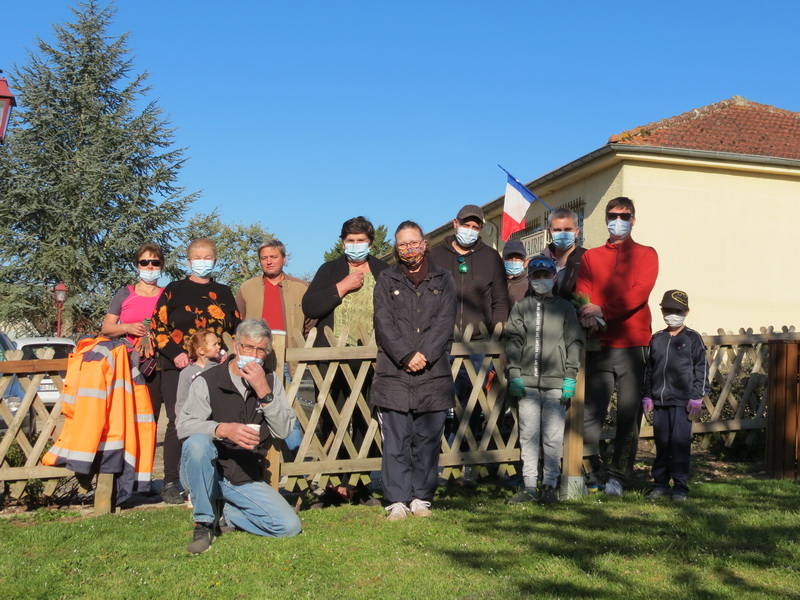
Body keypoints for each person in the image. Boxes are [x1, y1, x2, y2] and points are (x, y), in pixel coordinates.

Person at [176, 319, 301, 554]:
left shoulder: (270, 382)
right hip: (207, 469)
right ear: (236, 346)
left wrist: (264, 392)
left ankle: (228, 514)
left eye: (260, 350)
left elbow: (284, 430)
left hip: (243, 473)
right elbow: (184, 426)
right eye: (248, 347)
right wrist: (221, 429)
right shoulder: (208, 380)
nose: (254, 354)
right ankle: (203, 523)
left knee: (288, 526)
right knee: (197, 442)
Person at [371, 221, 456, 520]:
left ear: (424, 243)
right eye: (403, 244)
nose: (409, 249)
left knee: (428, 441)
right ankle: (396, 499)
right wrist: (406, 355)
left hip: (433, 374)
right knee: (396, 440)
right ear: (396, 248)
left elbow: (445, 321)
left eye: (414, 242)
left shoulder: (444, 278)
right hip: (394, 373)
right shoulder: (386, 279)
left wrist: (426, 354)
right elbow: (383, 321)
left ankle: (421, 497)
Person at [302, 216, 389, 503]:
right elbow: (310, 306)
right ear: (343, 243)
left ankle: (360, 484)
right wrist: (342, 286)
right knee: (332, 417)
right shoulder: (330, 270)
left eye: (361, 240)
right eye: (350, 241)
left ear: (370, 243)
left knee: (365, 418)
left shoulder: (383, 271)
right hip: (333, 358)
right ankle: (333, 485)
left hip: (370, 358)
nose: (355, 245)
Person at [575, 197, 658, 496]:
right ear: (606, 219)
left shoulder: (646, 254)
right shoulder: (591, 256)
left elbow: (639, 294)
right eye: (613, 215)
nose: (618, 220)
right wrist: (587, 314)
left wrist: (602, 311)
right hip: (598, 345)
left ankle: (617, 475)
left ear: (633, 220)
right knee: (590, 413)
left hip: (633, 344)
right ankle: (589, 471)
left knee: (628, 415)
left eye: (624, 216)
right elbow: (582, 291)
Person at [151, 237, 241, 504]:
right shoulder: (174, 290)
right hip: (177, 367)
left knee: (214, 418)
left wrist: (230, 356)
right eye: (197, 258)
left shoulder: (224, 292)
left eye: (208, 257)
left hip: (214, 368)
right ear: (189, 262)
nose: (203, 262)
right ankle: (171, 481)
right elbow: (157, 326)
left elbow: (236, 329)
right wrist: (176, 354)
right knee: (178, 420)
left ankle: (214, 477)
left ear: (215, 260)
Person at [429, 204, 509, 481]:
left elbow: (500, 300)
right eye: (466, 225)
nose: (470, 230)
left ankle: (465, 466)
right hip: (441, 343)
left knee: (472, 405)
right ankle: (437, 464)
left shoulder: (491, 257)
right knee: (438, 403)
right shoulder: (435, 255)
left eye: (476, 227)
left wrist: (496, 334)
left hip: (477, 345)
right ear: (455, 223)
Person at [504, 256, 585, 504]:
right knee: (528, 435)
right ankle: (529, 486)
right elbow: (513, 341)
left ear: (554, 278)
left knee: (552, 437)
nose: (541, 280)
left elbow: (574, 342)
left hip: (556, 383)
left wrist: (570, 376)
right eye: (536, 276)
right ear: (530, 279)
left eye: (546, 276)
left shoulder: (565, 308)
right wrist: (515, 374)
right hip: (526, 384)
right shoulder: (521, 307)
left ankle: (550, 484)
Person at [642, 290, 709, 502]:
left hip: (683, 402)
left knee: (679, 443)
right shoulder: (657, 338)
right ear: (662, 311)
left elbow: (701, 368)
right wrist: (648, 395)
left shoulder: (692, 338)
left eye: (677, 311)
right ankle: (660, 484)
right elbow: (649, 369)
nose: (672, 315)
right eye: (668, 310)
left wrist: (697, 396)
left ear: (686, 312)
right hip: (660, 401)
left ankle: (680, 487)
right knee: (662, 443)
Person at [101, 243, 165, 436]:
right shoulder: (125, 293)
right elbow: (106, 328)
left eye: (155, 262)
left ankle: (148, 452)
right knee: (126, 415)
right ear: (137, 266)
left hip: (155, 365)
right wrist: (127, 327)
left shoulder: (166, 295)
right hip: (128, 363)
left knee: (151, 416)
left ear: (161, 266)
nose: (150, 266)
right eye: (144, 262)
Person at [540, 207, 586, 300]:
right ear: (549, 232)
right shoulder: (540, 262)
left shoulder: (587, 258)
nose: (563, 234)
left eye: (567, 229)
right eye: (557, 230)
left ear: (577, 232)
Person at [175, 329, 222, 419]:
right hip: (196, 420)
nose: (218, 347)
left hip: (217, 420)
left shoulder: (220, 369)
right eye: (214, 344)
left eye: (218, 343)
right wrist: (181, 422)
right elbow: (182, 401)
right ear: (201, 350)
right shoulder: (186, 373)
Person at [502, 240, 529, 308]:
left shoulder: (530, 286)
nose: (514, 261)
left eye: (518, 258)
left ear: (525, 262)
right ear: (502, 260)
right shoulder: (496, 284)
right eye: (510, 258)